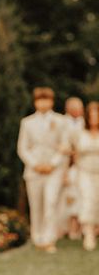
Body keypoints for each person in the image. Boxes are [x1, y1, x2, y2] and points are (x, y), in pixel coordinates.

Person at [17, 87, 67, 254]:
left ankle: (49, 238)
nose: (43, 103)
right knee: (36, 205)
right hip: (34, 170)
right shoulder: (27, 122)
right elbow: (22, 148)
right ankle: (37, 237)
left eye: (46, 99)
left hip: (54, 170)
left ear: (51, 101)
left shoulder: (61, 121)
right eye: (40, 99)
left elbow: (64, 146)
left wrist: (52, 164)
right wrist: (35, 164)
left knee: (51, 203)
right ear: (35, 102)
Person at [74, 100, 99, 251]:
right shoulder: (80, 133)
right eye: (92, 115)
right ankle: (88, 234)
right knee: (88, 200)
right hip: (85, 173)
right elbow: (75, 154)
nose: (94, 118)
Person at [59, 97, 85, 241]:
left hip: (84, 165)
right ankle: (67, 227)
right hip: (66, 165)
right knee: (67, 197)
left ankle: (82, 226)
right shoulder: (61, 122)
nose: (77, 110)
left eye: (79, 107)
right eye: (74, 107)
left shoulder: (85, 123)